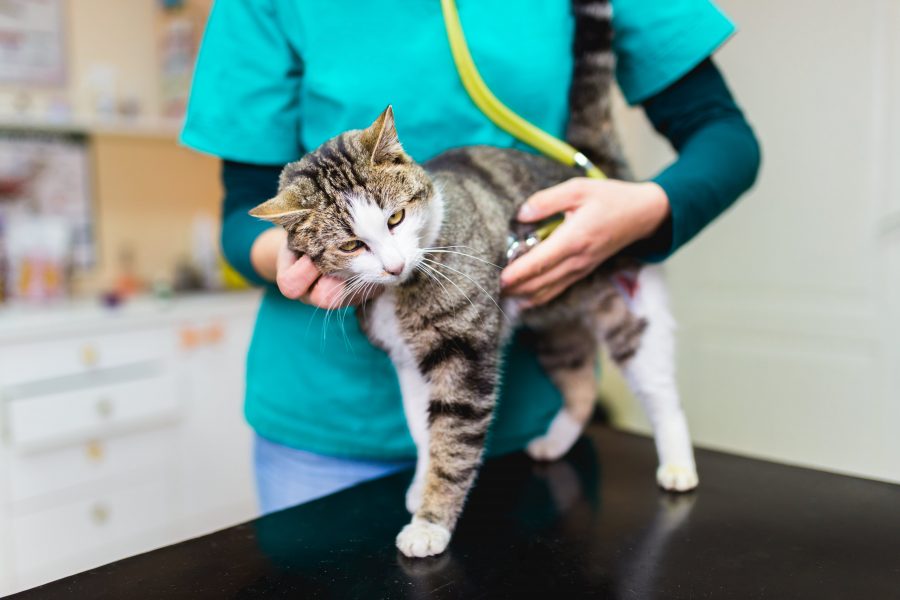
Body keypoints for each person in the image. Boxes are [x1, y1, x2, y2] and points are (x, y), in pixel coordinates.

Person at [181, 0, 760, 514]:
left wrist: (645, 211)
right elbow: (242, 213)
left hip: (519, 418)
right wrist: (305, 257)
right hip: (324, 426)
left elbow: (724, 136)